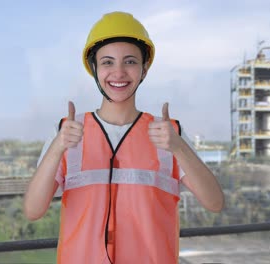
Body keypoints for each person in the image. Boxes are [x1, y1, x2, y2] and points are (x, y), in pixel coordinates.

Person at [23, 11, 224, 264]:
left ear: (144, 69)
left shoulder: (169, 134)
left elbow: (215, 202)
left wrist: (179, 148)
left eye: (129, 62)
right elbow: (33, 210)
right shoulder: (67, 132)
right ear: (94, 69)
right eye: (107, 62)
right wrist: (56, 149)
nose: (118, 72)